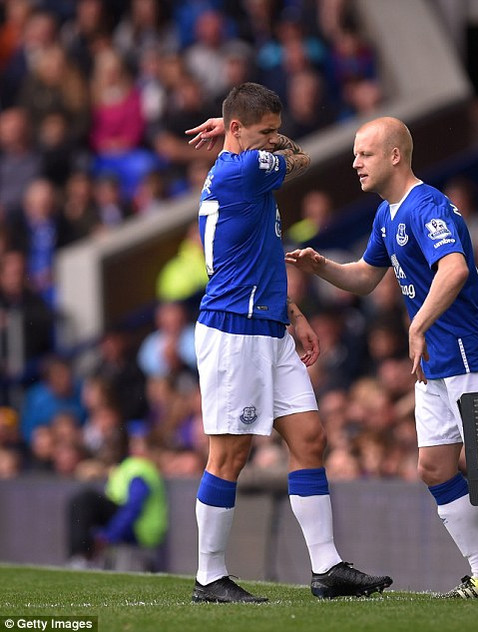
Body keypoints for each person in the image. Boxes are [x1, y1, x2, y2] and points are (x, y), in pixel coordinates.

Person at [285, 117, 478, 601]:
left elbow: (455, 269)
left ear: (395, 155)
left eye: (365, 154)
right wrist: (323, 267)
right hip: (435, 364)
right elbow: (366, 277)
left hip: (470, 355)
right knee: (436, 467)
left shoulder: (427, 205)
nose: (355, 163)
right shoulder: (387, 214)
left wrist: (416, 325)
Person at [182, 83, 391, 603]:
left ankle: (327, 568)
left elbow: (258, 257)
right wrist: (252, 140)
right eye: (266, 131)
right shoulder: (245, 171)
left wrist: (293, 313)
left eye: (276, 130)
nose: (274, 139)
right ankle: (209, 576)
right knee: (229, 454)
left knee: (309, 438)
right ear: (236, 129)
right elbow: (303, 157)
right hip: (235, 330)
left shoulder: (244, 169)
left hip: (268, 324)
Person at [66, 431, 168, 570]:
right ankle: (83, 555)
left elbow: (133, 507)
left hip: (139, 529)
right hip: (136, 527)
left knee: (86, 500)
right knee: (84, 502)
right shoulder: (128, 468)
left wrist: (109, 536)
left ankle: (82, 557)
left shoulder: (140, 468)